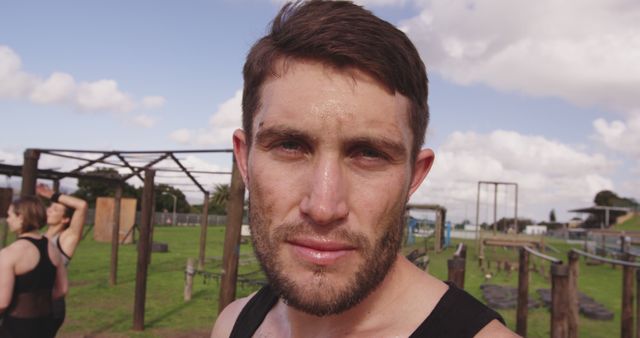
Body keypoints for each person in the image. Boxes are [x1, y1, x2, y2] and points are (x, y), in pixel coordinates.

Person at [211, 1, 519, 337]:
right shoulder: (231, 324)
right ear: (244, 159)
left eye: (369, 153)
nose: (324, 207)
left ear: (414, 176)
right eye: (290, 146)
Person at [0, 196, 68, 338]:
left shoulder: (10, 253)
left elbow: (2, 302)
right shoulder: (52, 247)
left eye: (10, 215)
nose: (7, 219)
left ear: (21, 217)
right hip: (46, 324)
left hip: (17, 327)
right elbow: (62, 289)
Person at [36, 183, 88, 335]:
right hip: (32, 303)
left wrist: (52, 195)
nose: (49, 210)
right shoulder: (39, 236)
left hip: (50, 305)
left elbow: (82, 205)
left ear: (65, 219)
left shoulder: (66, 239)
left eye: (55, 209)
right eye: (50, 207)